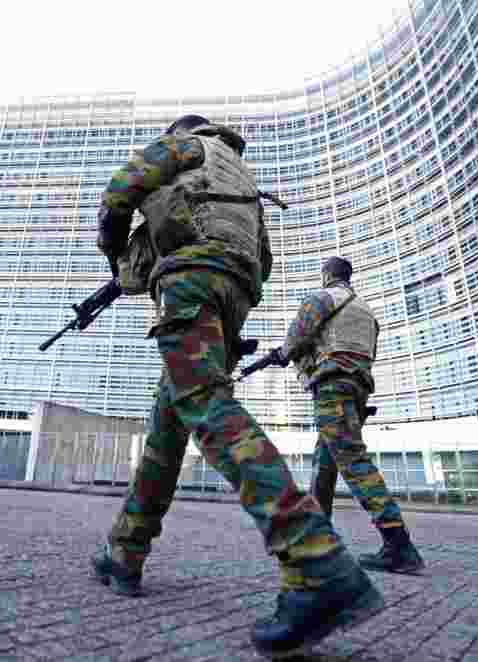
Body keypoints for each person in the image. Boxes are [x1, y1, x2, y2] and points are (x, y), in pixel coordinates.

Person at [91, 115, 384, 658]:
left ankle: (314, 559)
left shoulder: (183, 148)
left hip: (192, 282)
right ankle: (125, 550)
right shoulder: (245, 179)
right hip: (234, 294)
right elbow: (264, 261)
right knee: (169, 421)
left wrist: (115, 251)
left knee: (203, 403)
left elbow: (119, 190)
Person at [272, 256, 424, 574]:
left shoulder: (321, 299)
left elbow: (297, 336)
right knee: (325, 465)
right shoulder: (368, 313)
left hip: (333, 387)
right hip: (357, 389)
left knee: (352, 462)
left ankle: (400, 546)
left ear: (326, 275)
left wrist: (283, 355)